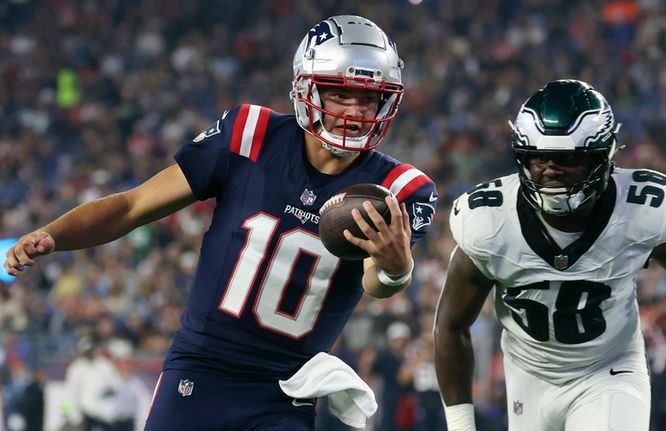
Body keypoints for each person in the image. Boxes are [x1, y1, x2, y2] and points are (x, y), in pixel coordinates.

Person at [4, 15, 437, 431]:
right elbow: (132, 206)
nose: (355, 111)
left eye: (368, 97)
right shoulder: (251, 133)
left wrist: (397, 268)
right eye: (340, 94)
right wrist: (54, 234)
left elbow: (377, 285)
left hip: (285, 391)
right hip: (200, 368)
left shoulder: (398, 188)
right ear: (308, 88)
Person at [433, 79, 666, 431]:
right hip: (528, 375)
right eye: (540, 157)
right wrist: (460, 424)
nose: (550, 170)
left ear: (602, 158)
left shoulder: (642, 209)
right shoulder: (488, 222)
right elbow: (450, 324)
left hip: (609, 369)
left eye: (567, 159)